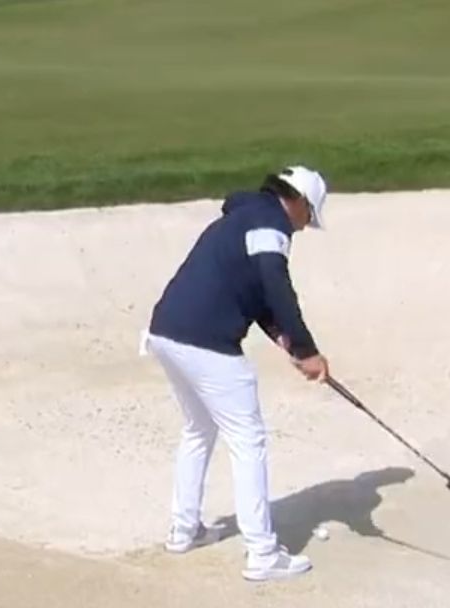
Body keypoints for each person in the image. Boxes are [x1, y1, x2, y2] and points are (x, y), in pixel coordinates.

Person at [141, 165, 331, 582]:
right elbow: (276, 286)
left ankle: (184, 530)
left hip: (165, 332)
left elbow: (258, 296)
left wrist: (286, 341)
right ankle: (263, 553)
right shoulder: (272, 226)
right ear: (297, 201)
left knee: (199, 429)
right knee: (248, 440)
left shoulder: (245, 216)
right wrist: (308, 350)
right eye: (307, 216)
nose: (303, 227)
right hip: (206, 342)